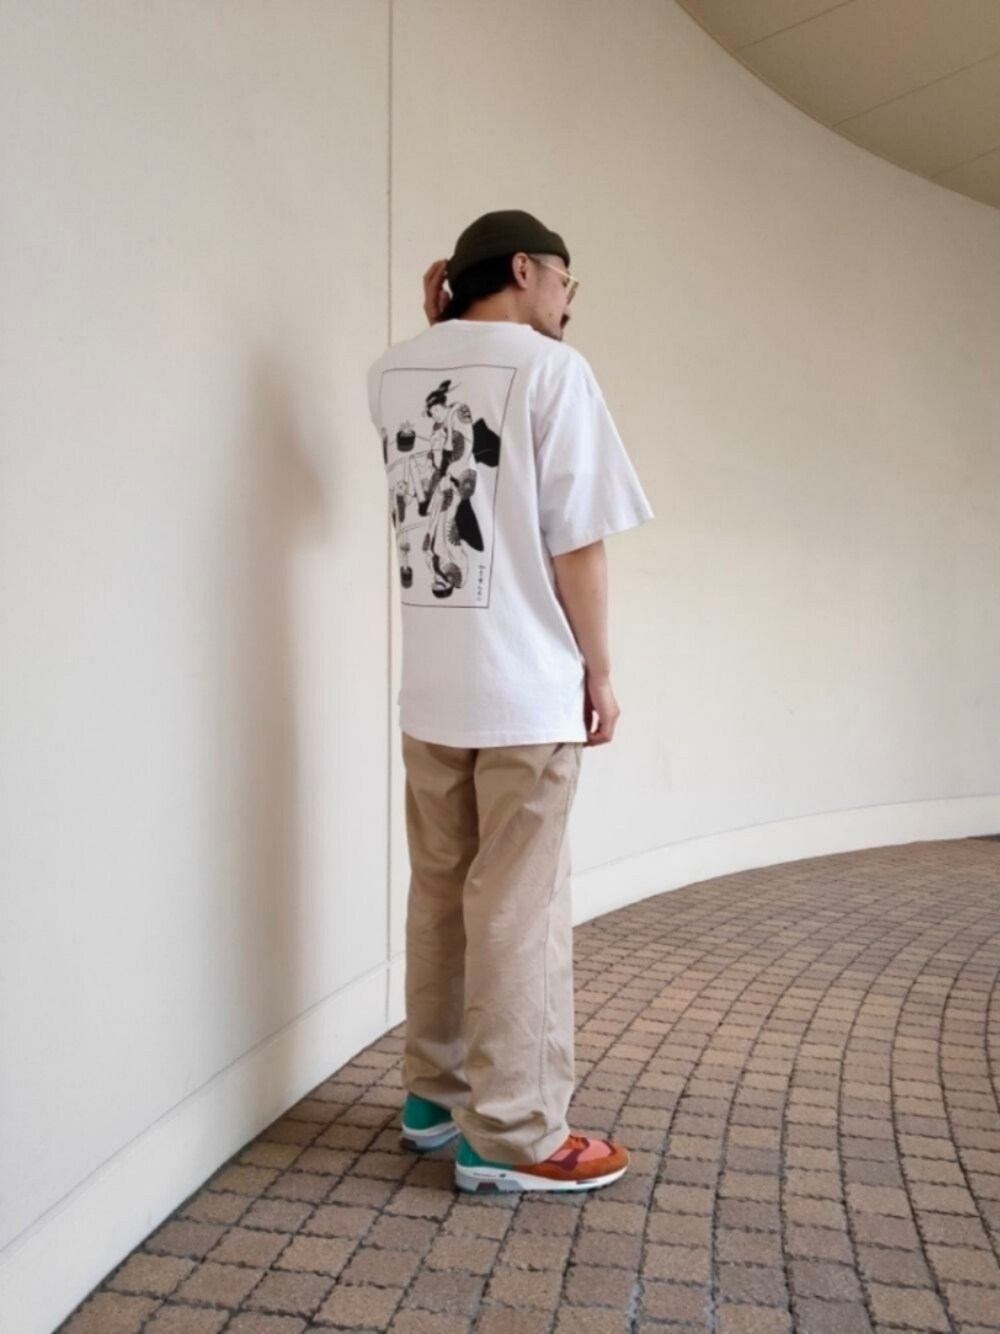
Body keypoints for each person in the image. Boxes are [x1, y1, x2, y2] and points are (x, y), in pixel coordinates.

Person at [365, 209, 654, 1192]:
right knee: (518, 910)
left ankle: (432, 1098)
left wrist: (438, 329)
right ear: (525, 269)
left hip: (432, 691)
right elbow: (578, 541)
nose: (570, 302)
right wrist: (599, 669)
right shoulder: (554, 371)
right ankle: (515, 1134)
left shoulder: (389, 371)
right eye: (567, 281)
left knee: (440, 894)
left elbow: (446, 465)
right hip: (525, 690)